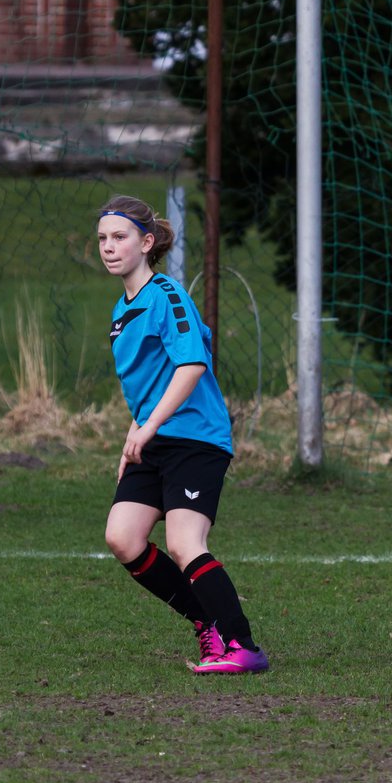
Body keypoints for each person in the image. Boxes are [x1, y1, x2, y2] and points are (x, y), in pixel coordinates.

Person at [98, 194, 269, 674]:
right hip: (154, 441)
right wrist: (134, 436)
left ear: (146, 242)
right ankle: (207, 624)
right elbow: (151, 383)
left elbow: (192, 365)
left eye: (120, 237)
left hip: (196, 438)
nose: (109, 247)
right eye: (103, 239)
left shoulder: (168, 295)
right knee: (123, 538)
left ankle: (245, 647)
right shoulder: (122, 309)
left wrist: (148, 426)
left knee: (184, 541)